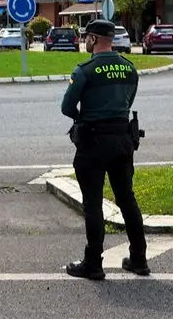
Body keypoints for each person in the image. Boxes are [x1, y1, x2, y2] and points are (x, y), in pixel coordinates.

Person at [60, 18, 149, 281]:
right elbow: (128, 100)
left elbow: (67, 107)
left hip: (93, 142)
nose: (84, 41)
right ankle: (139, 258)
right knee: (126, 199)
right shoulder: (129, 69)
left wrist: (85, 117)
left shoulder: (84, 71)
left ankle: (93, 263)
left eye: (86, 37)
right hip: (123, 141)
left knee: (93, 203)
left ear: (94, 39)